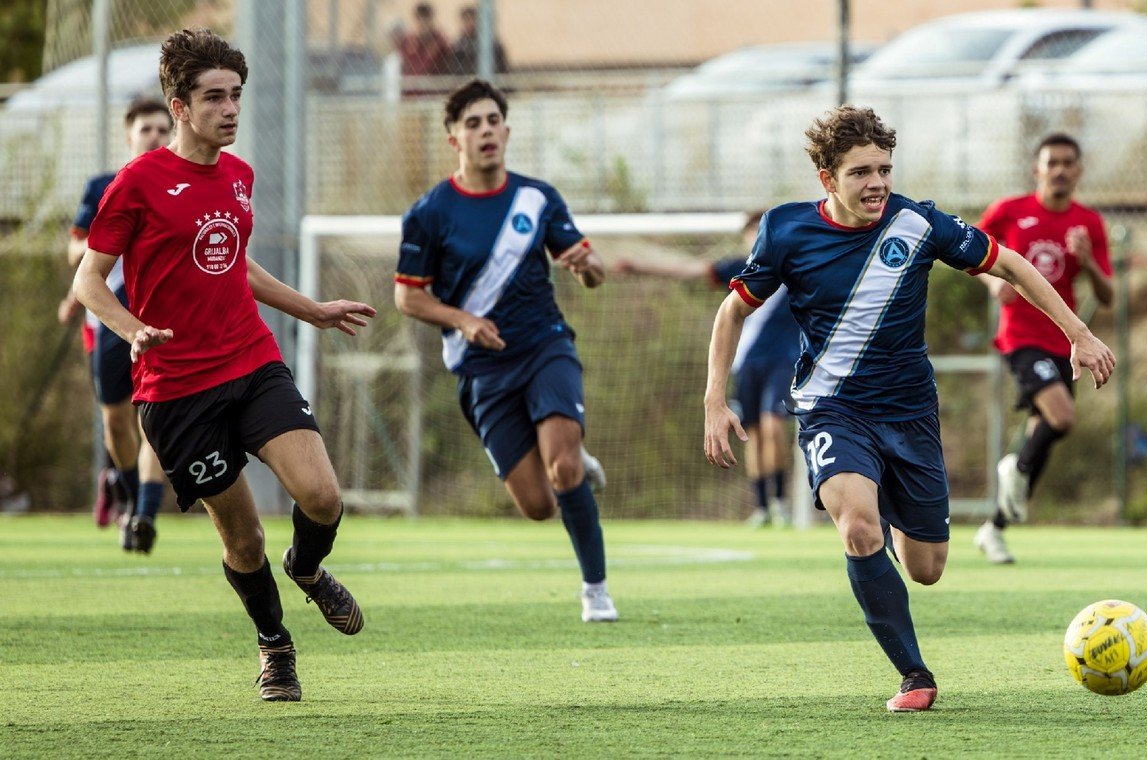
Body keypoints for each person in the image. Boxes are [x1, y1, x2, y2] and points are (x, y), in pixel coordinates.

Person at [703, 106, 1115, 712]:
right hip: (830, 408)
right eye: (861, 172)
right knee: (859, 528)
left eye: (885, 169)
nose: (877, 183)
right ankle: (914, 676)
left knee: (926, 568)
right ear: (827, 178)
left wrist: (1077, 331)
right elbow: (734, 309)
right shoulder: (785, 231)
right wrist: (715, 398)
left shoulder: (918, 223)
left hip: (910, 413)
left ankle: (891, 529)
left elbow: (1009, 263)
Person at [73, 28, 376, 702]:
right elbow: (88, 282)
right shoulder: (135, 184)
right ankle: (275, 646)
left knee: (322, 497)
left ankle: (307, 568)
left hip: (249, 361)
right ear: (179, 107)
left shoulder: (238, 175)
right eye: (214, 97)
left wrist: (311, 310)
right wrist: (131, 330)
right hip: (175, 391)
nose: (231, 109)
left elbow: (234, 261)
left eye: (236, 95)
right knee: (242, 538)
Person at [394, 79, 617, 623]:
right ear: (454, 140)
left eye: (493, 120)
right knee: (539, 506)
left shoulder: (536, 197)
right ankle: (572, 463)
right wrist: (463, 320)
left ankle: (596, 589)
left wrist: (589, 268)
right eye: (473, 123)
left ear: (507, 130)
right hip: (481, 372)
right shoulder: (429, 213)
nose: (486, 131)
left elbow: (592, 272)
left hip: (546, 348)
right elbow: (408, 296)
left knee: (563, 470)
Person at [972, 133, 1114, 565]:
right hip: (1021, 336)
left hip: (1066, 341)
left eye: (1069, 162)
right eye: (1052, 162)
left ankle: (994, 528)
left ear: (1079, 170)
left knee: (1044, 434)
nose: (1060, 170)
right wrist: (995, 281)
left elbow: (1108, 297)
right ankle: (1012, 470)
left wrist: (1088, 261)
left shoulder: (1088, 223)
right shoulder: (1009, 211)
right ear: (1037, 168)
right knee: (1061, 417)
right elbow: (969, 251)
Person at [615, 211, 798, 528]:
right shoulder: (740, 270)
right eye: (751, 234)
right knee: (752, 434)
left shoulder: (794, 269)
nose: (757, 240)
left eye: (762, 234)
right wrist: (639, 266)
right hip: (746, 364)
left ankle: (781, 502)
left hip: (784, 361)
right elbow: (690, 269)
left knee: (773, 427)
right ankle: (762, 507)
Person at [58, 98, 173, 552]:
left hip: (161, 317)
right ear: (129, 136)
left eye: (164, 129)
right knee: (117, 421)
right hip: (111, 321)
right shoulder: (106, 186)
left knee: (154, 419)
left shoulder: (181, 184)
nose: (156, 137)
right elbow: (77, 257)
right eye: (147, 129)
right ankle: (126, 494)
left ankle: (144, 514)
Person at [449, 5, 509, 76]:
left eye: (472, 20)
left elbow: (502, 69)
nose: (469, 24)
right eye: (466, 21)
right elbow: (454, 70)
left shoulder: (494, 45)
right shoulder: (458, 47)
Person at [398, 2, 451, 79]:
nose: (423, 24)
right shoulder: (407, 42)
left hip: (434, 87)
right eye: (420, 19)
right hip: (412, 87)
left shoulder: (440, 42)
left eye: (426, 20)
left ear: (431, 20)